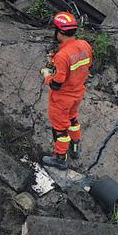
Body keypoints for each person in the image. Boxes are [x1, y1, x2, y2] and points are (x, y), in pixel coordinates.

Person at [40, 12, 93, 169]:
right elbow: (87, 67)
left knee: (60, 128)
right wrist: (56, 60)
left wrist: (46, 75)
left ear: (60, 32)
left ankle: (60, 158)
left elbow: (56, 84)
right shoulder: (85, 45)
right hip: (77, 94)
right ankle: (75, 148)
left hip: (62, 98)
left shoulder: (62, 56)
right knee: (72, 120)